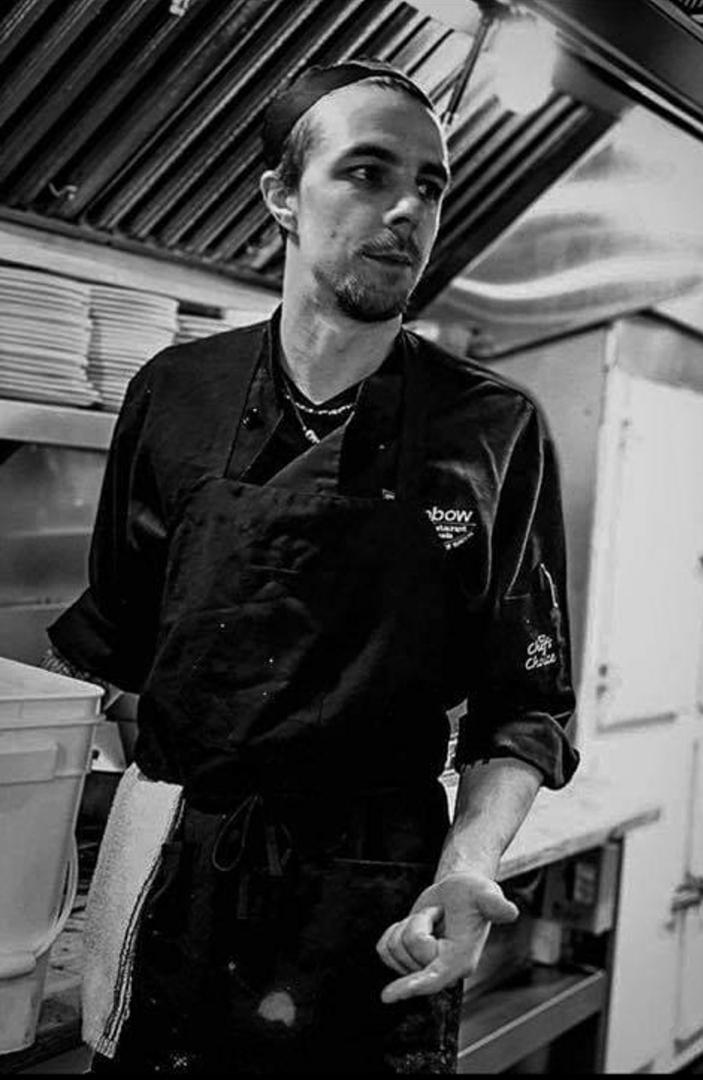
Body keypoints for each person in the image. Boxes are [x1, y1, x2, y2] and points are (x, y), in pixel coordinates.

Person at [43, 59, 579, 1074]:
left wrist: (467, 867)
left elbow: (529, 703)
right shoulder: (175, 393)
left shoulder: (493, 426)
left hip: (378, 901)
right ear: (281, 196)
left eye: (429, 184)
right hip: (182, 881)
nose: (406, 211)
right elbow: (112, 650)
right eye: (368, 173)